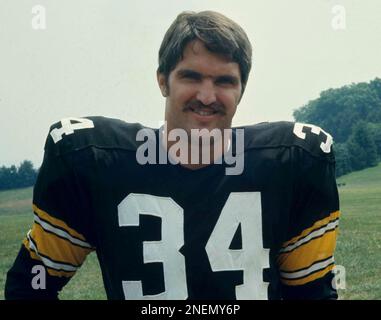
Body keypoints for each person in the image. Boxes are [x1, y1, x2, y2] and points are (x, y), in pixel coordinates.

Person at [5, 10, 340, 300]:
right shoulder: (94, 161)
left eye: (224, 81)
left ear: (241, 90)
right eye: (191, 77)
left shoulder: (292, 163)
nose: (207, 96)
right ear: (163, 81)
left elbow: (311, 293)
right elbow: (31, 287)